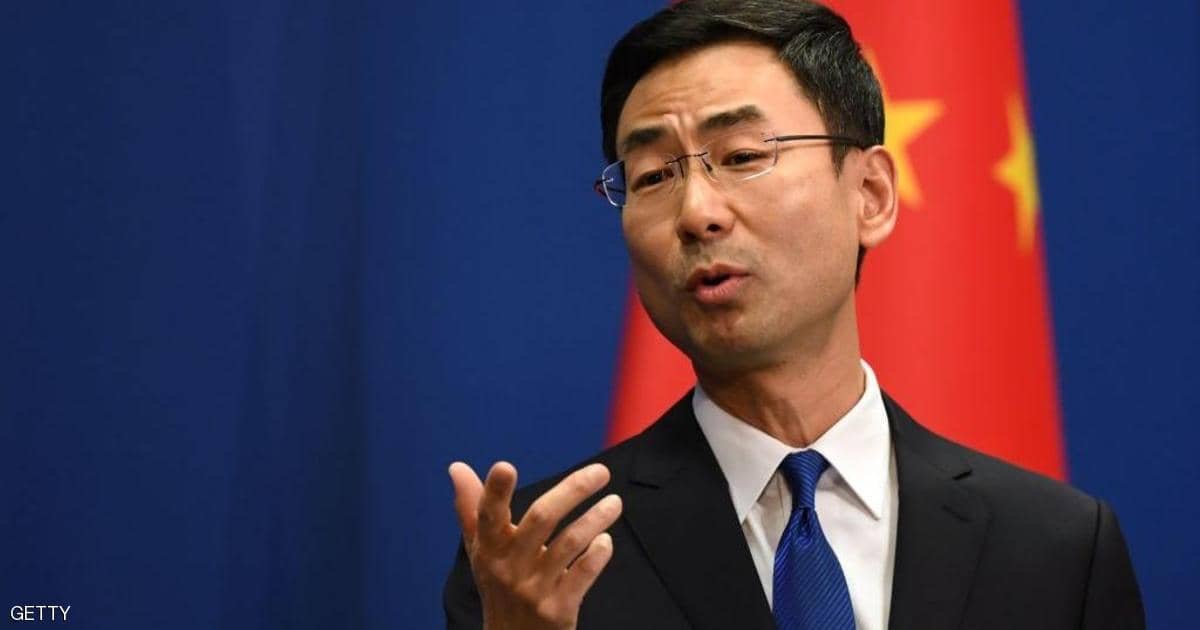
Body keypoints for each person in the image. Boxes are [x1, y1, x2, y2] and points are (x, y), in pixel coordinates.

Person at [443, 1, 1145, 628]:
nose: (696, 212)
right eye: (653, 176)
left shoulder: (1057, 549)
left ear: (870, 194)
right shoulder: (538, 566)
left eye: (742, 155)